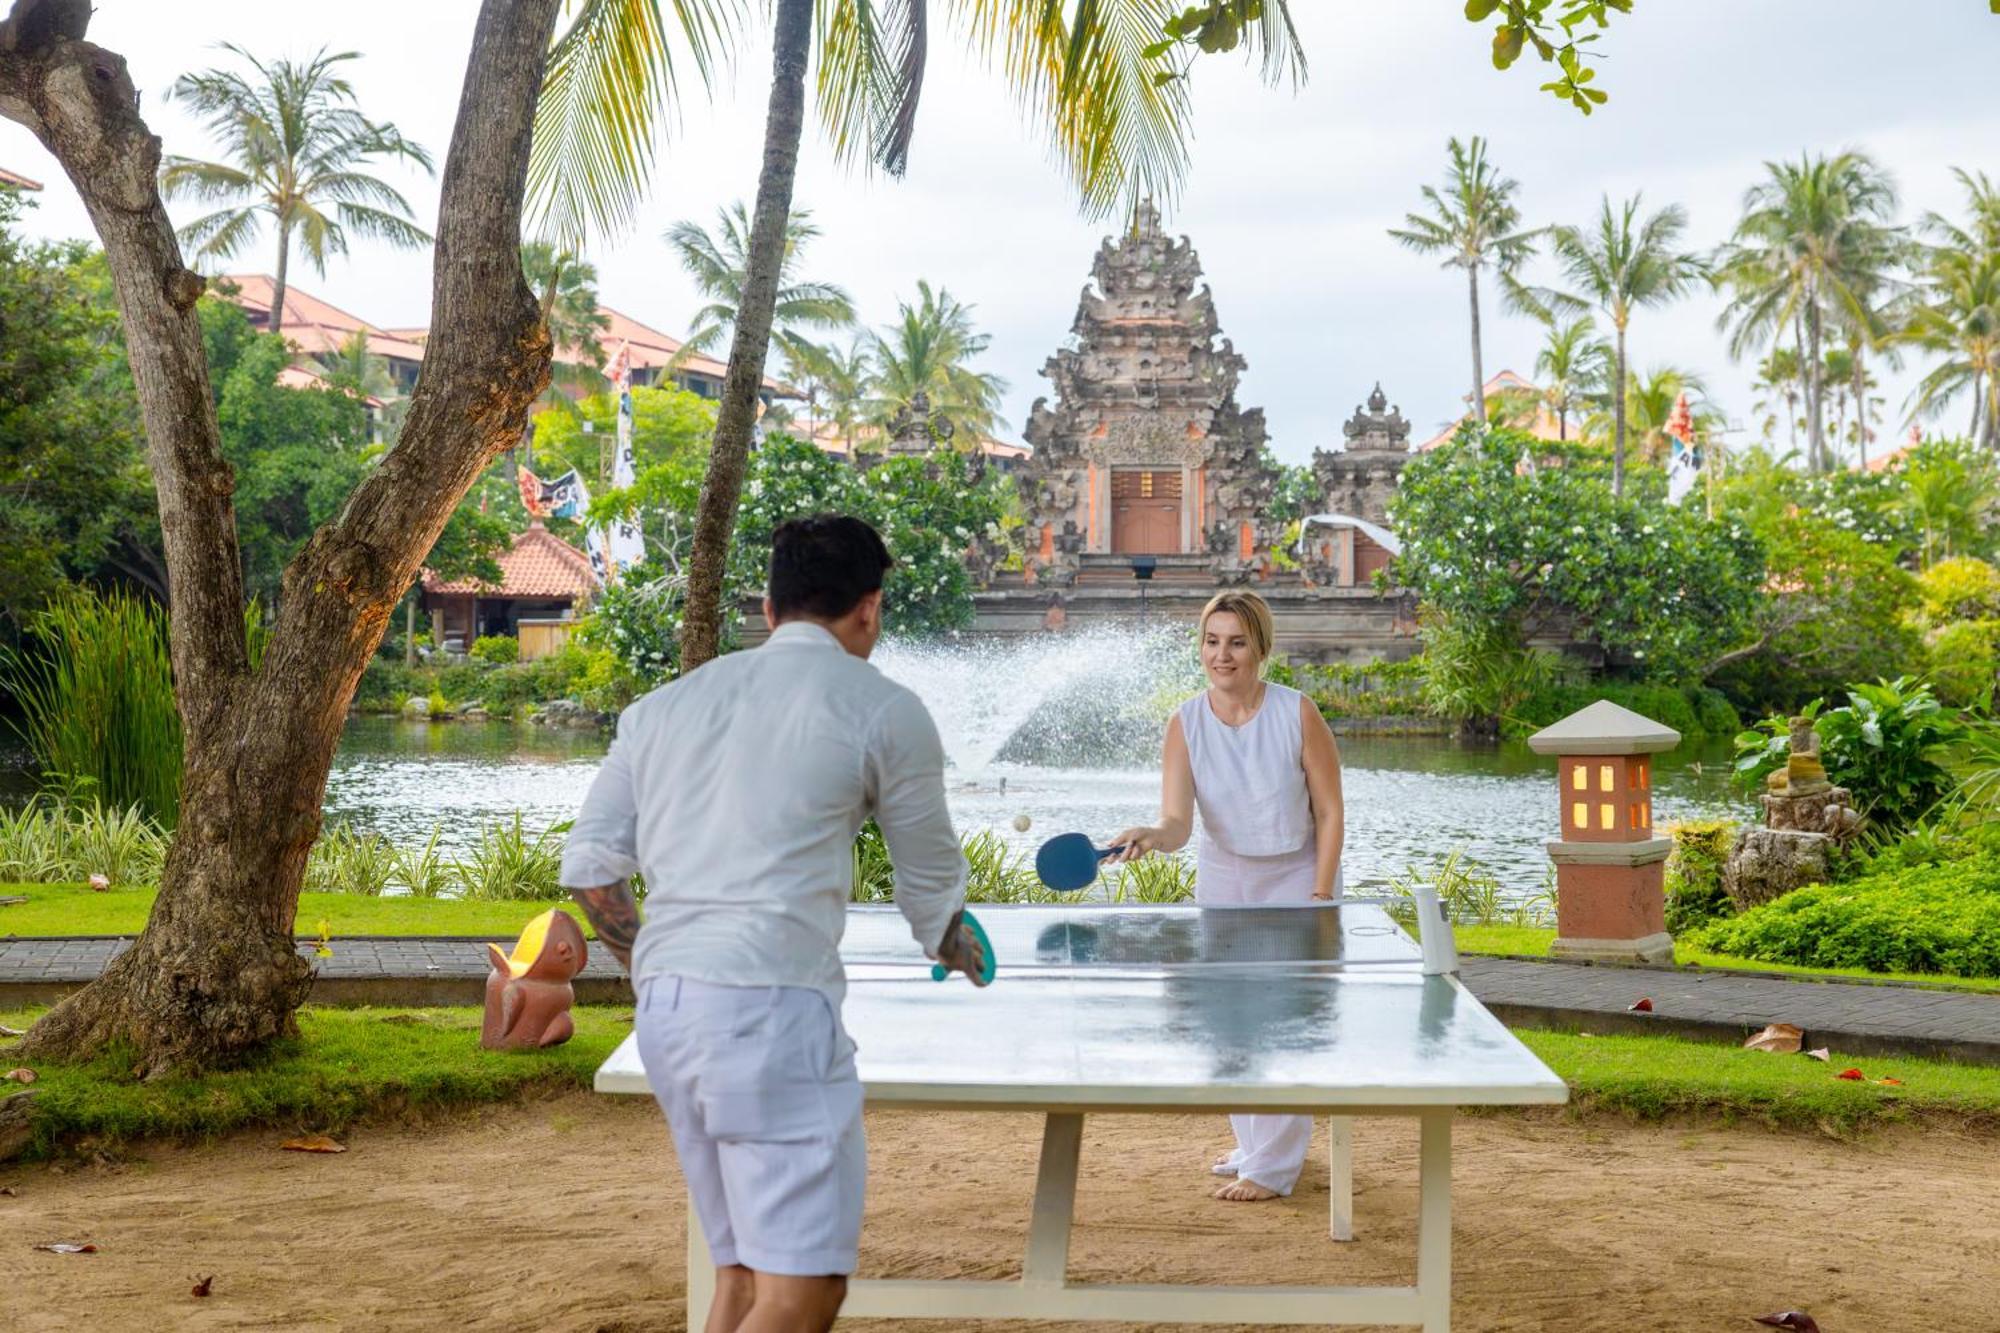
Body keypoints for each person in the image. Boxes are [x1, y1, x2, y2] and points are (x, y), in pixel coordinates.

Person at [560, 514, 989, 1333]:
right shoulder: (885, 707)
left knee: (741, 1277)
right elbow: (930, 886)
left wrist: (651, 959)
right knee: (804, 1292)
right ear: (870, 608)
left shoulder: (660, 707)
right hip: (772, 1012)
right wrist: (955, 947)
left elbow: (592, 870)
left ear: (768, 606)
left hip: (669, 1013)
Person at [1109, 589, 1345, 1203]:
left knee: (1281, 1021)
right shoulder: (1184, 722)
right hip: (1224, 878)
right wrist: (1149, 835)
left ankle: (1273, 1167)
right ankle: (1254, 1144)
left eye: (1237, 641)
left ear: (1260, 648)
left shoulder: (1298, 712)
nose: (1223, 654)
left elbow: (1331, 811)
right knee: (1228, 1020)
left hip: (1296, 878)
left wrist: (1320, 895)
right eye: (1212, 641)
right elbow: (1177, 823)